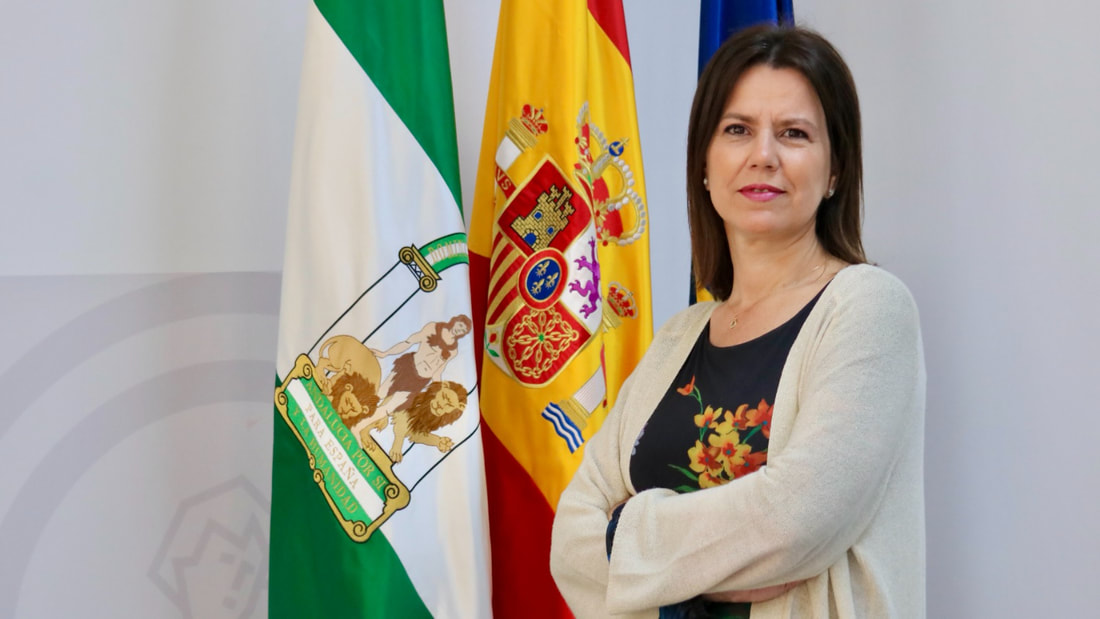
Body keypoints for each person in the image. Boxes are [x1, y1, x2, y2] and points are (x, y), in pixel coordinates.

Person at [549, 25, 925, 619]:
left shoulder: (869, 309)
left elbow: (797, 520)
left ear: (835, 171)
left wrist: (623, 537)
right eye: (737, 130)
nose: (763, 155)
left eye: (794, 133)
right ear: (704, 163)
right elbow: (570, 540)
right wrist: (717, 568)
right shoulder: (679, 337)